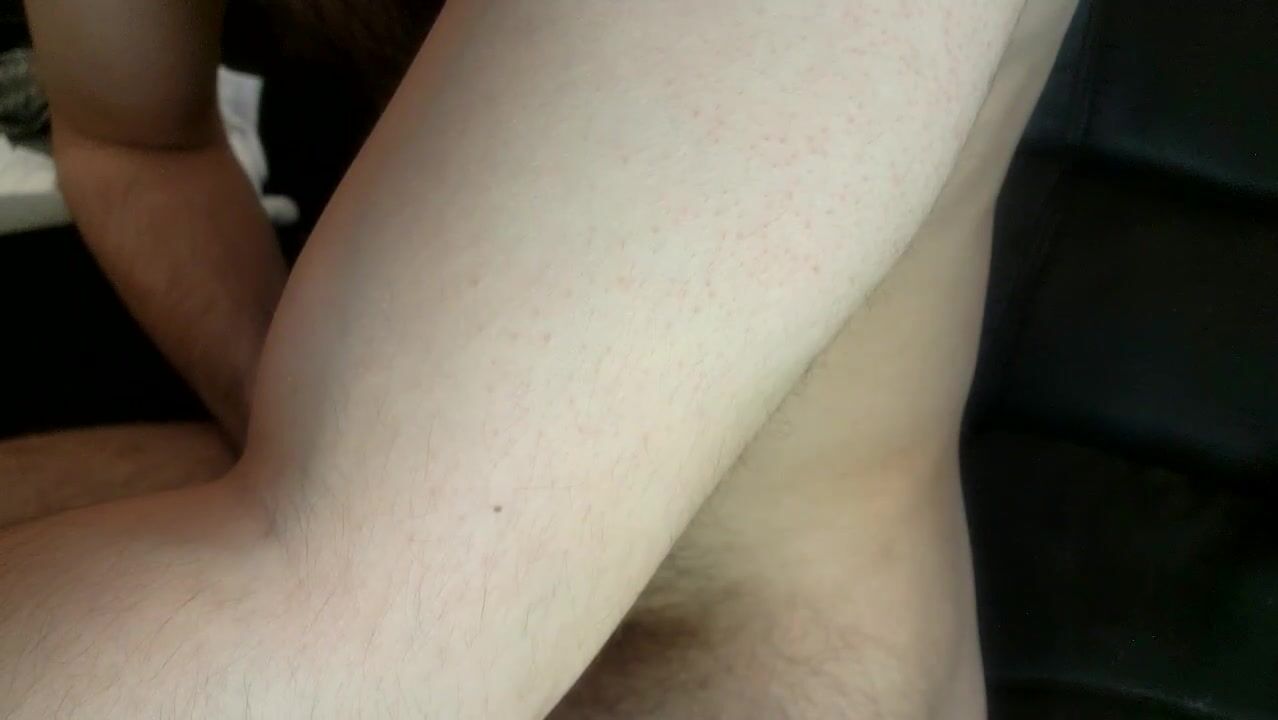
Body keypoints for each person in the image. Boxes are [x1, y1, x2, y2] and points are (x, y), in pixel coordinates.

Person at [0, 0, 1076, 717]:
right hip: (362, 540)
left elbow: (361, 605)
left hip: (734, 643)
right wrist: (284, 429)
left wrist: (344, 516)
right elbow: (136, 146)